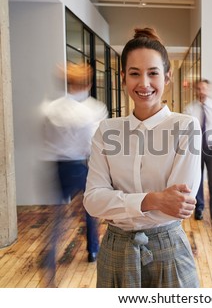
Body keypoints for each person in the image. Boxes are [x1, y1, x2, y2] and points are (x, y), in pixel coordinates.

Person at [83, 27, 202, 288]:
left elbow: (180, 203)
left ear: (167, 77)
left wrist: (119, 203)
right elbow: (92, 201)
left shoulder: (185, 127)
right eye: (134, 74)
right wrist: (154, 199)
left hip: (168, 248)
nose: (144, 83)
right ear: (123, 78)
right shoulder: (107, 130)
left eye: (153, 73)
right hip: (116, 251)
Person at [40, 62, 107, 269]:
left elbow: (45, 137)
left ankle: (50, 255)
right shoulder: (94, 110)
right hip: (80, 165)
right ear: (87, 84)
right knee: (90, 210)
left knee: (58, 216)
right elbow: (94, 143)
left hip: (58, 166)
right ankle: (93, 250)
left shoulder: (50, 108)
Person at [183, 79, 212, 227]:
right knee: (197, 180)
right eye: (199, 89)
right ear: (195, 90)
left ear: (208, 90)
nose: (201, 91)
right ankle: (199, 209)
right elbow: (185, 130)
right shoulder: (190, 109)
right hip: (195, 150)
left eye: (204, 88)